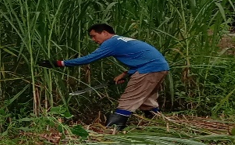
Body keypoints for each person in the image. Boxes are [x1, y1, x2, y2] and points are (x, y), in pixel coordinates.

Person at [38, 24, 169, 130]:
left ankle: (112, 130)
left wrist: (59, 63)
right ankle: (158, 124)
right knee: (146, 98)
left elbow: (89, 59)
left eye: (94, 36)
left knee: (129, 99)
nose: (94, 40)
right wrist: (125, 74)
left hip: (149, 69)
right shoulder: (121, 40)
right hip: (159, 67)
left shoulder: (111, 42)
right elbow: (142, 57)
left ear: (105, 33)